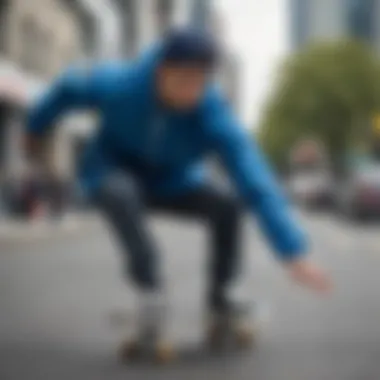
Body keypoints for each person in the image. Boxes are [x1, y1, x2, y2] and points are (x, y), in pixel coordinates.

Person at [24, 28, 331, 342]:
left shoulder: (211, 112)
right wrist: (34, 128)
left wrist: (292, 250)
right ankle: (150, 292)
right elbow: (68, 86)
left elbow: (252, 172)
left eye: (199, 83)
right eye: (182, 81)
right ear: (161, 71)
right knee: (120, 192)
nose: (190, 93)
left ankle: (221, 300)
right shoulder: (120, 84)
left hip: (174, 182)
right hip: (112, 171)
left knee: (227, 204)